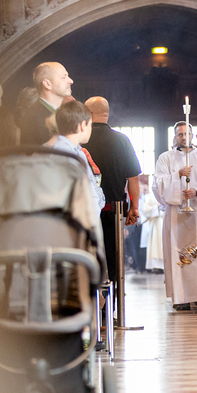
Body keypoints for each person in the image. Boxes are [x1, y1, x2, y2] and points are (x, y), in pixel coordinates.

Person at [152, 122, 197, 311]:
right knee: (177, 254)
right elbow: (157, 185)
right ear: (175, 136)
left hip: (196, 211)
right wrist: (177, 175)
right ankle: (180, 297)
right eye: (179, 134)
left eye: (186, 133)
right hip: (175, 213)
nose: (183, 137)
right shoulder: (165, 158)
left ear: (192, 135)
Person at [81, 96, 141, 286]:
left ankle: (93, 298)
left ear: (89, 113)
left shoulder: (81, 138)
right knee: (112, 257)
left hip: (85, 209)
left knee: (88, 255)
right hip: (114, 210)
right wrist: (134, 207)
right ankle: (112, 298)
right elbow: (133, 178)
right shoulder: (122, 140)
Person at [50, 100, 105, 213]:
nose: (91, 129)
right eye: (90, 125)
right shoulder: (65, 153)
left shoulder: (76, 152)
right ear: (83, 125)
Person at [20, 62, 73, 145]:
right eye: (63, 77)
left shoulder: (57, 114)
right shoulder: (35, 117)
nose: (71, 81)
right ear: (47, 84)